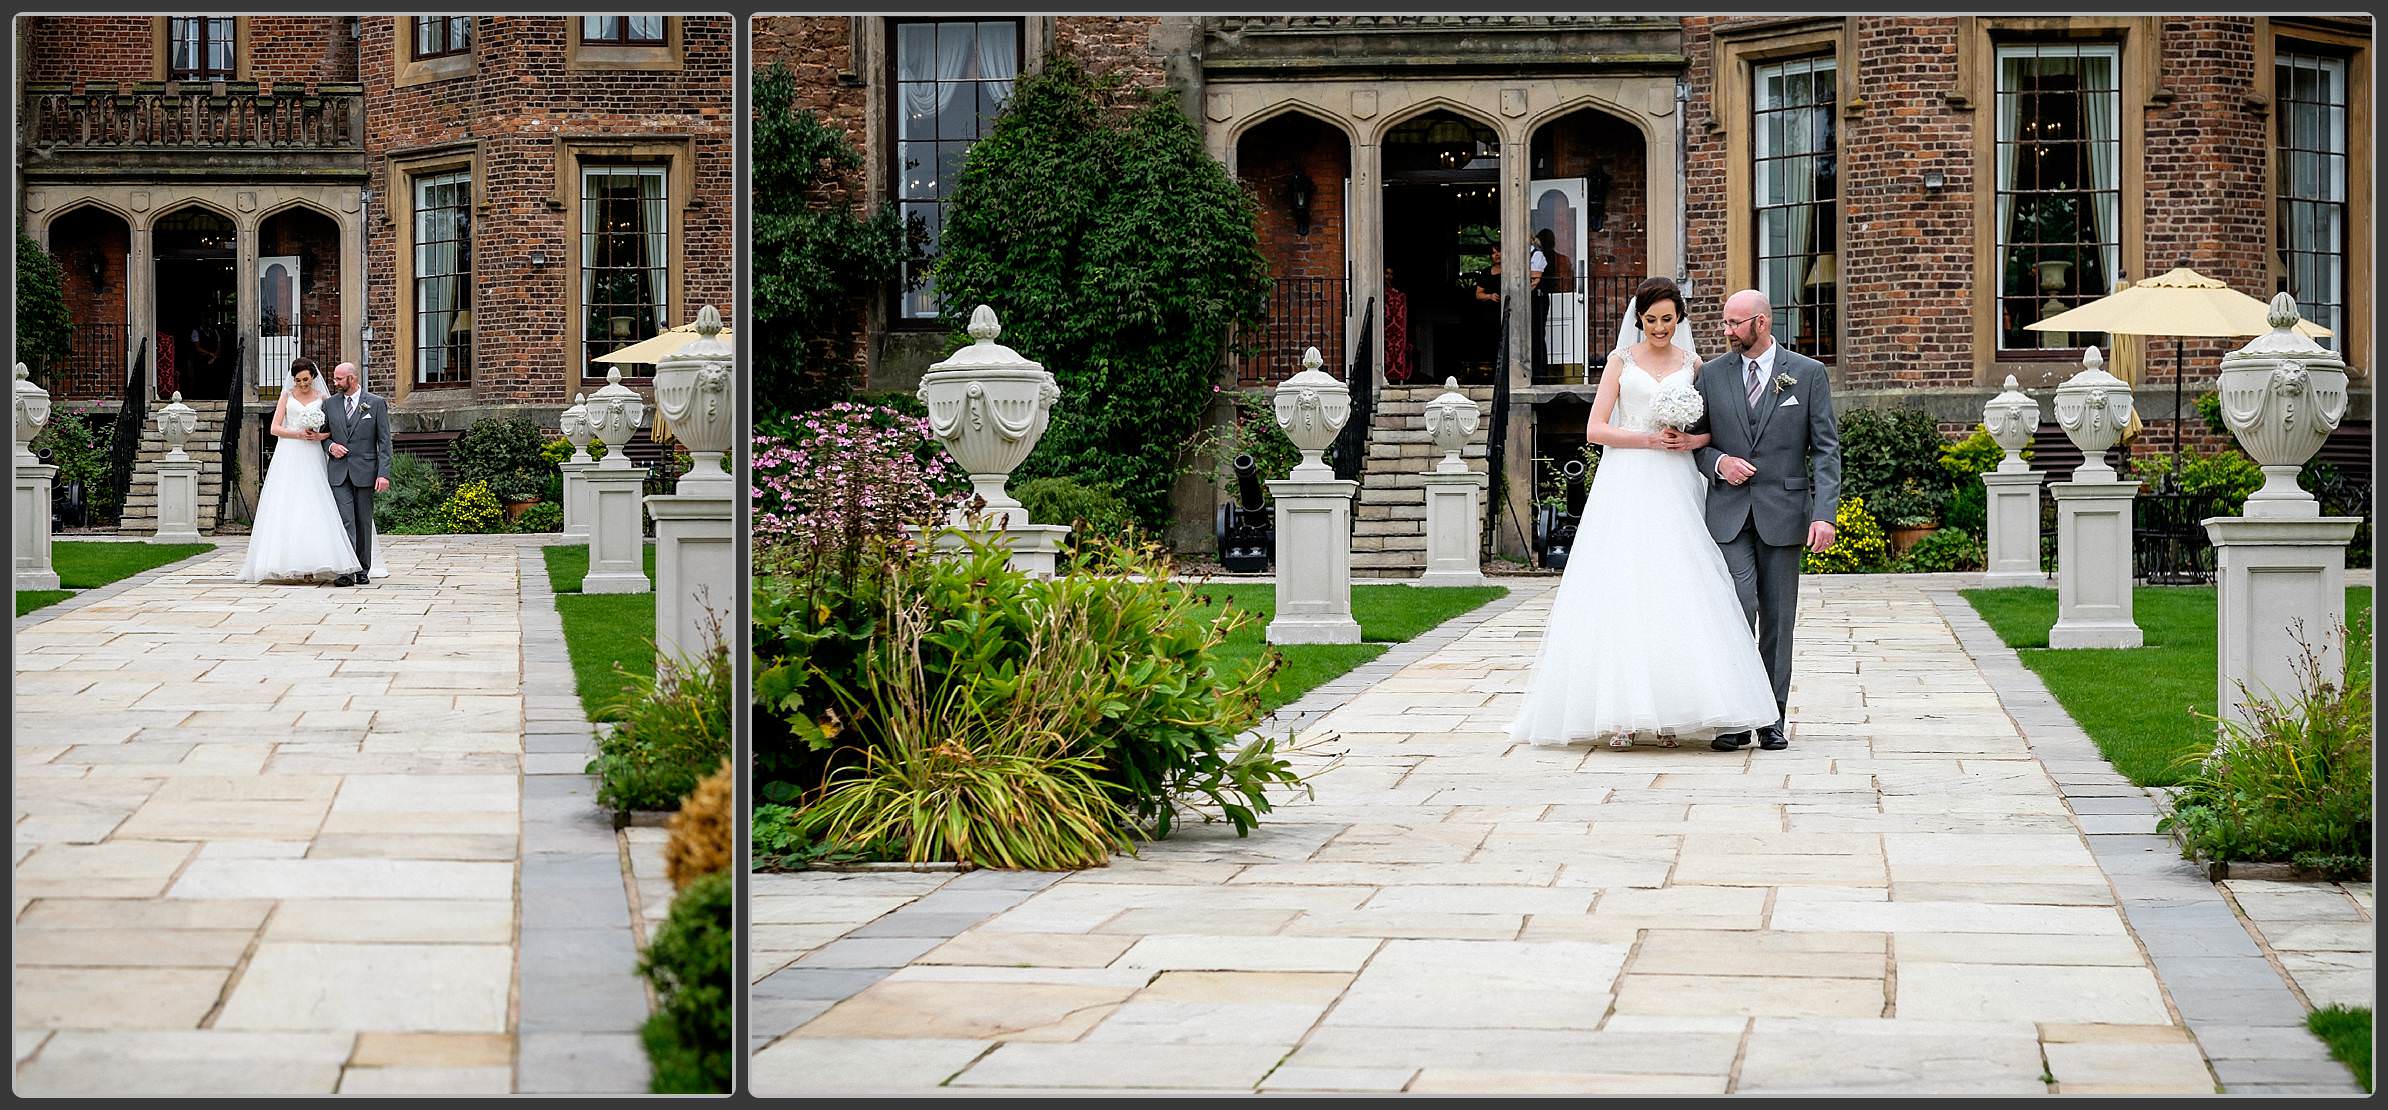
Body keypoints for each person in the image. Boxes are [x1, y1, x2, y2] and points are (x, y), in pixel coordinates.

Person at [1507, 278, 1780, 749]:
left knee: (1678, 584)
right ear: (1639, 320)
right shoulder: (1621, 361)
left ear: (1680, 319)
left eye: (1667, 319)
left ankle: (1672, 711)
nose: (1659, 327)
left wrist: (1688, 440)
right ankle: (1622, 711)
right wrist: (1648, 439)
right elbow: (1596, 430)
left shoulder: (1696, 366)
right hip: (1628, 479)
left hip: (1676, 481)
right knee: (1623, 583)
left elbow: (1712, 429)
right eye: (1651, 319)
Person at [1691, 289, 1844, 752]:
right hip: (1729, 514)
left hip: (1785, 513)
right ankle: (1733, 719)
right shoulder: (1712, 377)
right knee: (1738, 610)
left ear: (1761, 323)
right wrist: (1720, 464)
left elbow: (1825, 450)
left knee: (1778, 619)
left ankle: (1771, 719)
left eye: (1735, 323)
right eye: (1725, 323)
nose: (1727, 331)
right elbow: (1694, 443)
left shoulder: (1807, 374)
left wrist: (1824, 515)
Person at [236, 359, 363, 584]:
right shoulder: (287, 396)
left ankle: (313, 563)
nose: (302, 384)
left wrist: (318, 436)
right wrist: (298, 434)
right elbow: (275, 428)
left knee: (314, 503)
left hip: (313, 454)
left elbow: (332, 429)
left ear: (313, 377)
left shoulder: (323, 398)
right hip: (290, 452)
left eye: (306, 379)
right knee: (288, 503)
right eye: (298, 380)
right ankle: (287, 562)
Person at [321, 361, 392, 587]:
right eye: (334, 379)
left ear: (352, 379)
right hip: (339, 472)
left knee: (363, 522)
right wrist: (331, 447)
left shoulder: (376, 404)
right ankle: (346, 570)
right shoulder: (330, 405)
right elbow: (323, 436)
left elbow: (384, 442)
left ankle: (363, 569)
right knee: (345, 520)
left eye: (339, 379)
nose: (335, 382)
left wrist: (383, 474)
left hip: (366, 472)